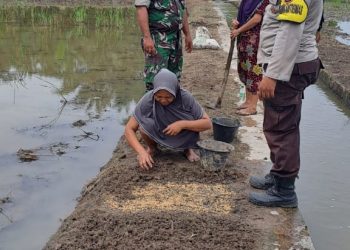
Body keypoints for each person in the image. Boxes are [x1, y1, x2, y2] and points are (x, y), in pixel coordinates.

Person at [248, 0, 323, 207]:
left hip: (289, 67)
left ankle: (284, 190)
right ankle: (278, 175)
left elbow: (290, 31)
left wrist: (273, 75)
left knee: (282, 128)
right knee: (279, 123)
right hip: (293, 64)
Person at [124, 69, 212, 170]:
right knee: (144, 126)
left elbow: (207, 123)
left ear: (175, 91)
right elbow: (129, 129)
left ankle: (187, 149)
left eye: (168, 97)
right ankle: (152, 149)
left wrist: (182, 124)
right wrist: (141, 152)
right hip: (161, 130)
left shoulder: (185, 98)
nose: (163, 100)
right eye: (159, 96)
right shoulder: (148, 99)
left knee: (192, 120)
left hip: (182, 133)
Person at [135, 0, 193, 91]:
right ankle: (152, 105)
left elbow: (183, 9)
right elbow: (141, 8)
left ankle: (172, 104)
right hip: (157, 38)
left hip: (176, 38)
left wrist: (187, 34)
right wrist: (147, 37)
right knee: (155, 81)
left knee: (174, 79)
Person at [230, 0, 269, 116]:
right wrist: (236, 23)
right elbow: (242, 17)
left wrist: (238, 30)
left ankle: (253, 106)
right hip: (243, 41)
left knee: (254, 73)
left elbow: (257, 19)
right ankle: (248, 102)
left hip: (254, 43)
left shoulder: (263, 1)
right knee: (246, 71)